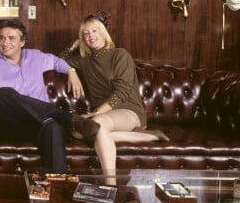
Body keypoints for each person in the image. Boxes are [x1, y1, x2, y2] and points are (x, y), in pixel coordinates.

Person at [0, 19, 100, 174]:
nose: (5, 42)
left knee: (53, 127)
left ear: (22, 42)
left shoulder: (36, 57)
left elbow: (57, 61)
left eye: (11, 38)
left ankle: (56, 187)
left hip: (40, 124)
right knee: (3, 93)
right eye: (1, 38)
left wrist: (71, 71)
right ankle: (69, 119)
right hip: (13, 125)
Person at [61, 13, 169, 185]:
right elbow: (62, 59)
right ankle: (149, 137)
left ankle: (110, 186)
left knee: (95, 125)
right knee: (75, 131)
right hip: (106, 118)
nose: (91, 36)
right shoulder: (86, 61)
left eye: (95, 30)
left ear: (104, 32)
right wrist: (72, 66)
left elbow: (122, 92)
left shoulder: (120, 54)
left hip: (128, 110)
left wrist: (95, 114)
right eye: (86, 33)